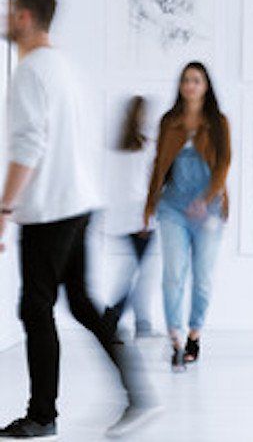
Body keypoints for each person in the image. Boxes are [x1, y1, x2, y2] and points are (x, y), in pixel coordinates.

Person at [0, 0, 159, 439]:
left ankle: (42, 415)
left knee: (35, 308)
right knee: (83, 306)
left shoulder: (31, 71)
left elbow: (29, 144)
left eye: (10, 11)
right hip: (77, 204)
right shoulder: (64, 68)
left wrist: (5, 206)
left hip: (50, 207)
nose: (6, 19)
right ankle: (139, 396)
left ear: (25, 17)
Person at [144, 61, 231, 372]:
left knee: (203, 278)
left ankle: (195, 333)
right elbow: (158, 165)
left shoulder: (219, 123)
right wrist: (149, 206)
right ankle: (176, 341)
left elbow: (223, 165)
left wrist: (205, 199)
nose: (190, 85)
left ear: (206, 86)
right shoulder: (169, 121)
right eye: (185, 80)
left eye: (196, 80)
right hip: (173, 208)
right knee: (173, 276)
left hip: (208, 210)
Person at [101, 96, 159, 339]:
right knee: (137, 273)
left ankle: (141, 323)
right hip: (139, 217)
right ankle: (111, 319)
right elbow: (144, 185)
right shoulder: (146, 147)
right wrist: (147, 218)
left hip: (119, 217)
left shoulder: (114, 146)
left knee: (138, 271)